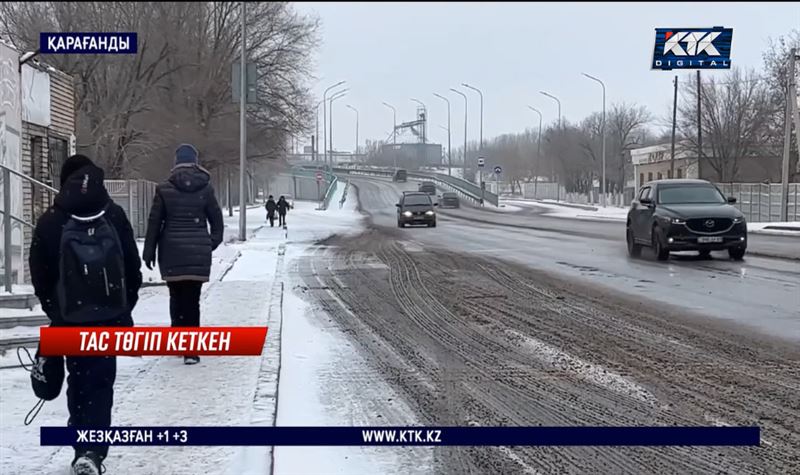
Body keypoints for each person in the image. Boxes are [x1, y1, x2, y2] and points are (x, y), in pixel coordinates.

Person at [29, 154, 143, 475]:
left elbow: (40, 271)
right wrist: (122, 308)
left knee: (78, 382)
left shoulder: (52, 220)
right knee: (100, 384)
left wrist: (56, 311)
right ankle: (92, 450)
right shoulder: (114, 215)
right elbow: (132, 268)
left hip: (69, 319)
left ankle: (82, 448)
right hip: (109, 319)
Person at [143, 144, 224, 365]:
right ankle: (191, 350)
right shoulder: (205, 188)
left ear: (176, 162)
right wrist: (209, 244)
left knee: (176, 297)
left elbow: (154, 222)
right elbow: (217, 221)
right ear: (195, 162)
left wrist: (149, 251)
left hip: (171, 251)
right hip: (197, 252)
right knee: (192, 300)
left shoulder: (164, 189)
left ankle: (178, 342)